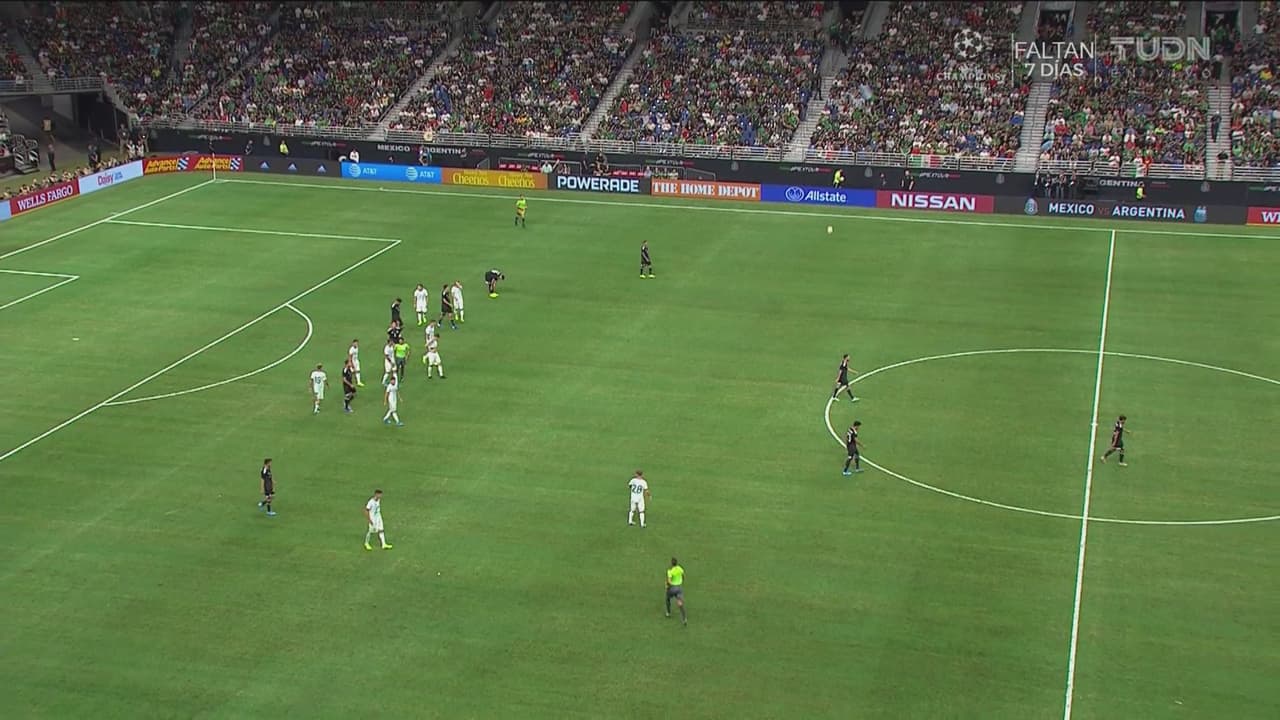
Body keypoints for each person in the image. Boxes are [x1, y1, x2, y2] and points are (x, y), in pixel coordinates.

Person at [665, 557, 687, 625]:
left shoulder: (670, 571)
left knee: (667, 598)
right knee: (680, 603)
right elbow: (683, 576)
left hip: (672, 588)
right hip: (679, 588)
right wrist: (681, 581)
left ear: (671, 563)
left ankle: (668, 612)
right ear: (676, 563)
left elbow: (669, 581)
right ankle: (684, 618)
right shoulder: (680, 568)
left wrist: (667, 585)